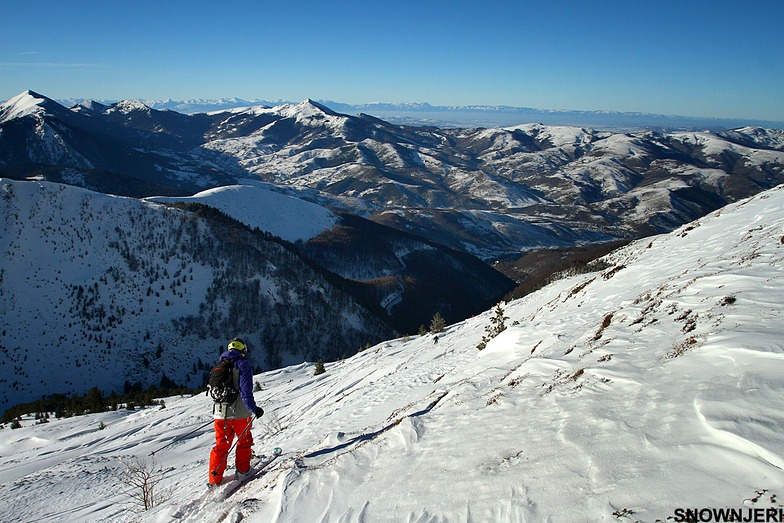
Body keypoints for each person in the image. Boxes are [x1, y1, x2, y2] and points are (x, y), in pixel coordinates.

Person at [208, 337, 264, 487]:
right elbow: (246, 391)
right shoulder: (243, 364)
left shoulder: (219, 365)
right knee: (244, 441)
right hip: (239, 414)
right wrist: (254, 409)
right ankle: (243, 470)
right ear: (243, 349)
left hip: (220, 414)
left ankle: (214, 480)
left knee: (221, 445)